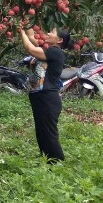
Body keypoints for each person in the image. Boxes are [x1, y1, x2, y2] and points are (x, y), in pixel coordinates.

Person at [19, 26, 72, 163]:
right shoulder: (47, 50)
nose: (48, 33)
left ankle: (58, 164)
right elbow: (32, 38)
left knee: (49, 134)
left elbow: (30, 49)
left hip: (48, 97)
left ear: (59, 40)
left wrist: (21, 33)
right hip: (40, 97)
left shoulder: (56, 52)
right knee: (41, 133)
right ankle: (47, 162)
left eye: (52, 32)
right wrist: (25, 22)